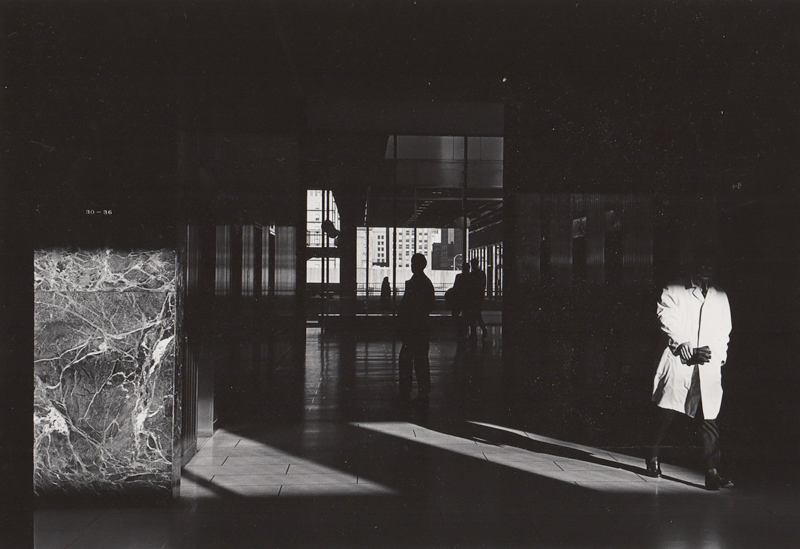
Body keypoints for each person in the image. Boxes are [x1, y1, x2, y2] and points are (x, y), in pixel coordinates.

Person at [646, 252, 733, 490]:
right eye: (702, 263)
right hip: (679, 360)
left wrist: (719, 357)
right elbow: (665, 317)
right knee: (667, 413)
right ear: (693, 265)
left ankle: (712, 472)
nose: (706, 268)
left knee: (709, 419)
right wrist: (682, 342)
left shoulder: (720, 296)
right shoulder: (674, 289)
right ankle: (652, 455)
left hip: (707, 363)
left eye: (710, 264)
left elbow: (724, 330)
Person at [395, 253, 436, 407]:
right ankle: (423, 392)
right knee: (421, 360)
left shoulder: (414, 284)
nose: (411, 266)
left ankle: (405, 391)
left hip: (412, 327)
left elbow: (406, 305)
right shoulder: (426, 283)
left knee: (406, 360)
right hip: (421, 327)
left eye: (413, 263)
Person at [465, 258, 488, 341]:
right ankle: (483, 330)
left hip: (472, 298)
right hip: (478, 298)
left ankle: (475, 332)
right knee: (477, 315)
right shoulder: (481, 274)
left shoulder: (471, 275)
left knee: (474, 316)